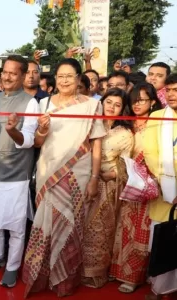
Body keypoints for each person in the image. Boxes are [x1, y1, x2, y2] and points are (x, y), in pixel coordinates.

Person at [22, 58, 106, 298]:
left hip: (78, 174)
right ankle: (40, 276)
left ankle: (64, 281)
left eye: (70, 76)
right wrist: (42, 130)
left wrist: (94, 177)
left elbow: (96, 144)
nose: (65, 80)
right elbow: (38, 142)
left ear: (79, 79)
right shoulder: (44, 103)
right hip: (49, 172)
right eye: (60, 76)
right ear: (54, 79)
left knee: (70, 226)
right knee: (44, 223)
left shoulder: (91, 106)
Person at [0, 55, 39, 288]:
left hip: (16, 173)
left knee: (15, 224)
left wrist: (13, 131)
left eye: (14, 73)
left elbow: (30, 140)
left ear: (23, 76)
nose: (7, 76)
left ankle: (12, 266)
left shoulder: (31, 103)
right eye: (5, 71)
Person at [110, 82, 162, 293]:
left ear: (152, 102)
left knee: (144, 230)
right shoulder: (125, 124)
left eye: (143, 99)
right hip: (127, 182)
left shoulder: (158, 124)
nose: (138, 103)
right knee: (125, 228)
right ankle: (122, 271)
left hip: (150, 184)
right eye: (134, 99)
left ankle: (138, 275)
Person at [82, 88, 134, 288]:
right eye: (109, 102)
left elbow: (127, 166)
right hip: (82, 180)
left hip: (108, 186)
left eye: (117, 104)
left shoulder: (125, 133)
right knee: (81, 227)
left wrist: (110, 175)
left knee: (99, 231)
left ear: (123, 109)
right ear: (101, 102)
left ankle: (95, 273)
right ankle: (79, 269)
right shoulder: (89, 125)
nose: (111, 107)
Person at [144, 74, 177, 300]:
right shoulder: (156, 117)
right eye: (170, 90)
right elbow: (150, 151)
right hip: (165, 190)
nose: (172, 94)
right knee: (163, 241)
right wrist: (168, 184)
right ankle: (159, 289)